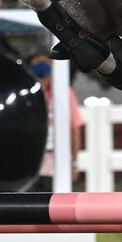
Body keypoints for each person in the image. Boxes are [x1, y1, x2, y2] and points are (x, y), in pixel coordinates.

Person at [28, 52, 85, 190]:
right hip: (29, 167)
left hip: (56, 166)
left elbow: (74, 129)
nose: (42, 72)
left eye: (45, 66)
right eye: (37, 66)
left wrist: (74, 163)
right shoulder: (24, 94)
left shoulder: (65, 93)